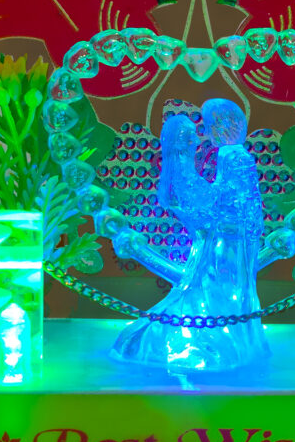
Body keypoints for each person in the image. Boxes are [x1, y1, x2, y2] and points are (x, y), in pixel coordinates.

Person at [110, 99, 270, 373]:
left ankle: (223, 339)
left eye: (207, 127)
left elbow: (227, 201)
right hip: (227, 242)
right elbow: (224, 203)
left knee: (222, 295)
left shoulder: (230, 157)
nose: (202, 136)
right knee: (220, 296)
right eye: (193, 135)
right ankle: (223, 339)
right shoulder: (229, 158)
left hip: (228, 242)